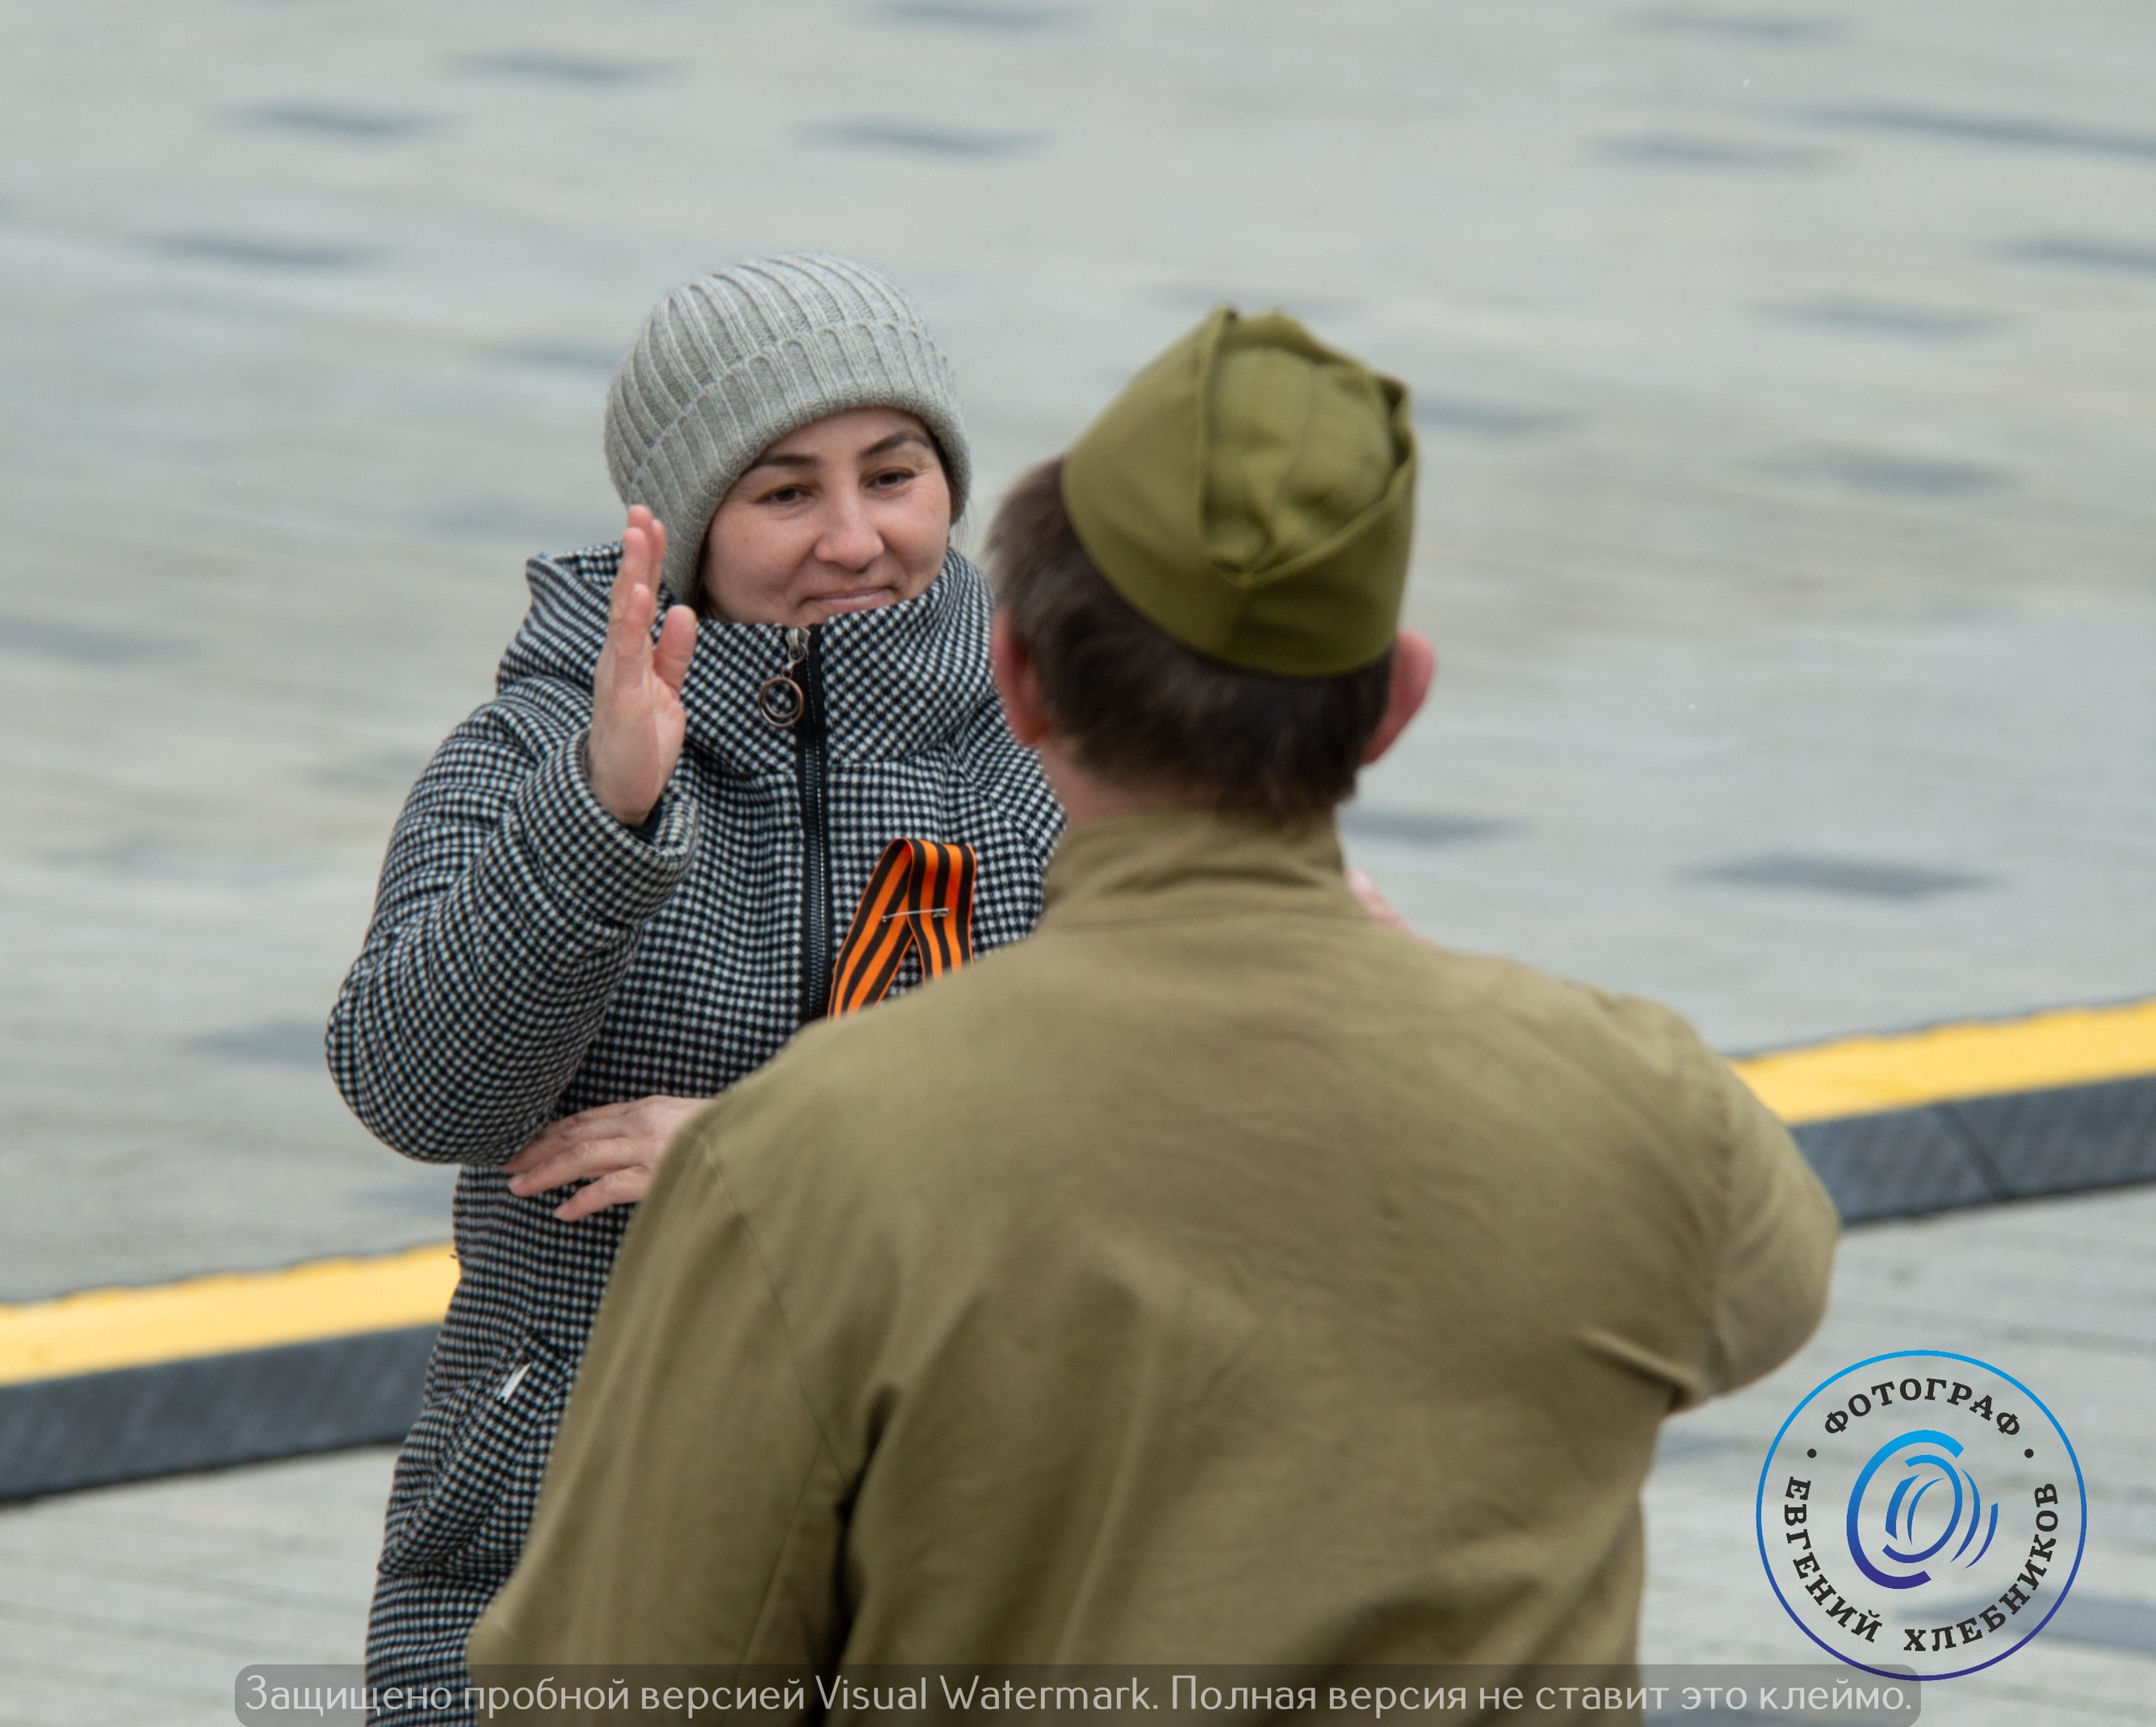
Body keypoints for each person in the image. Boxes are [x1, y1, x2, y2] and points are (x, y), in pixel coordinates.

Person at [467, 307, 1838, 1708]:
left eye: (889, 476)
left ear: (1019, 682)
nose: (852, 535)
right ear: (1396, 703)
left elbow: (610, 1676)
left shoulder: (805, 1157)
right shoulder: (1643, 1106)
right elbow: (1767, 1289)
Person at [324, 254, 1061, 1709]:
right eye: (786, 492)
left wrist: (768, 1158)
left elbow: (1147, 1132)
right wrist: (602, 817)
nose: (854, 537)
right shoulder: (536, 750)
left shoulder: (1048, 759)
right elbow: (415, 1090)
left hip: (950, 1555)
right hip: (578, 1550)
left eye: (894, 475)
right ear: (684, 522)